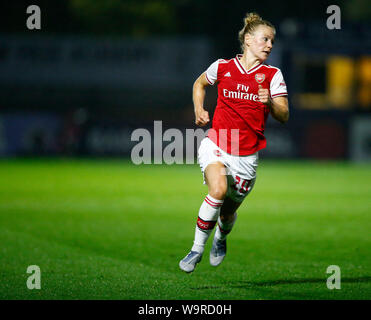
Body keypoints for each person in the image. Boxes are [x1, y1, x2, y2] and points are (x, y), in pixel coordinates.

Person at [179, 12, 289, 273]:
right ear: (248, 40)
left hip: (246, 156)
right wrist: (198, 108)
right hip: (216, 143)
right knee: (216, 190)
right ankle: (196, 250)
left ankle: (221, 237)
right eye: (265, 39)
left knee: (227, 214)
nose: (270, 45)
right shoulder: (223, 67)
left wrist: (270, 102)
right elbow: (199, 83)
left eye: (272, 41)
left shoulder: (272, 75)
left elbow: (284, 115)